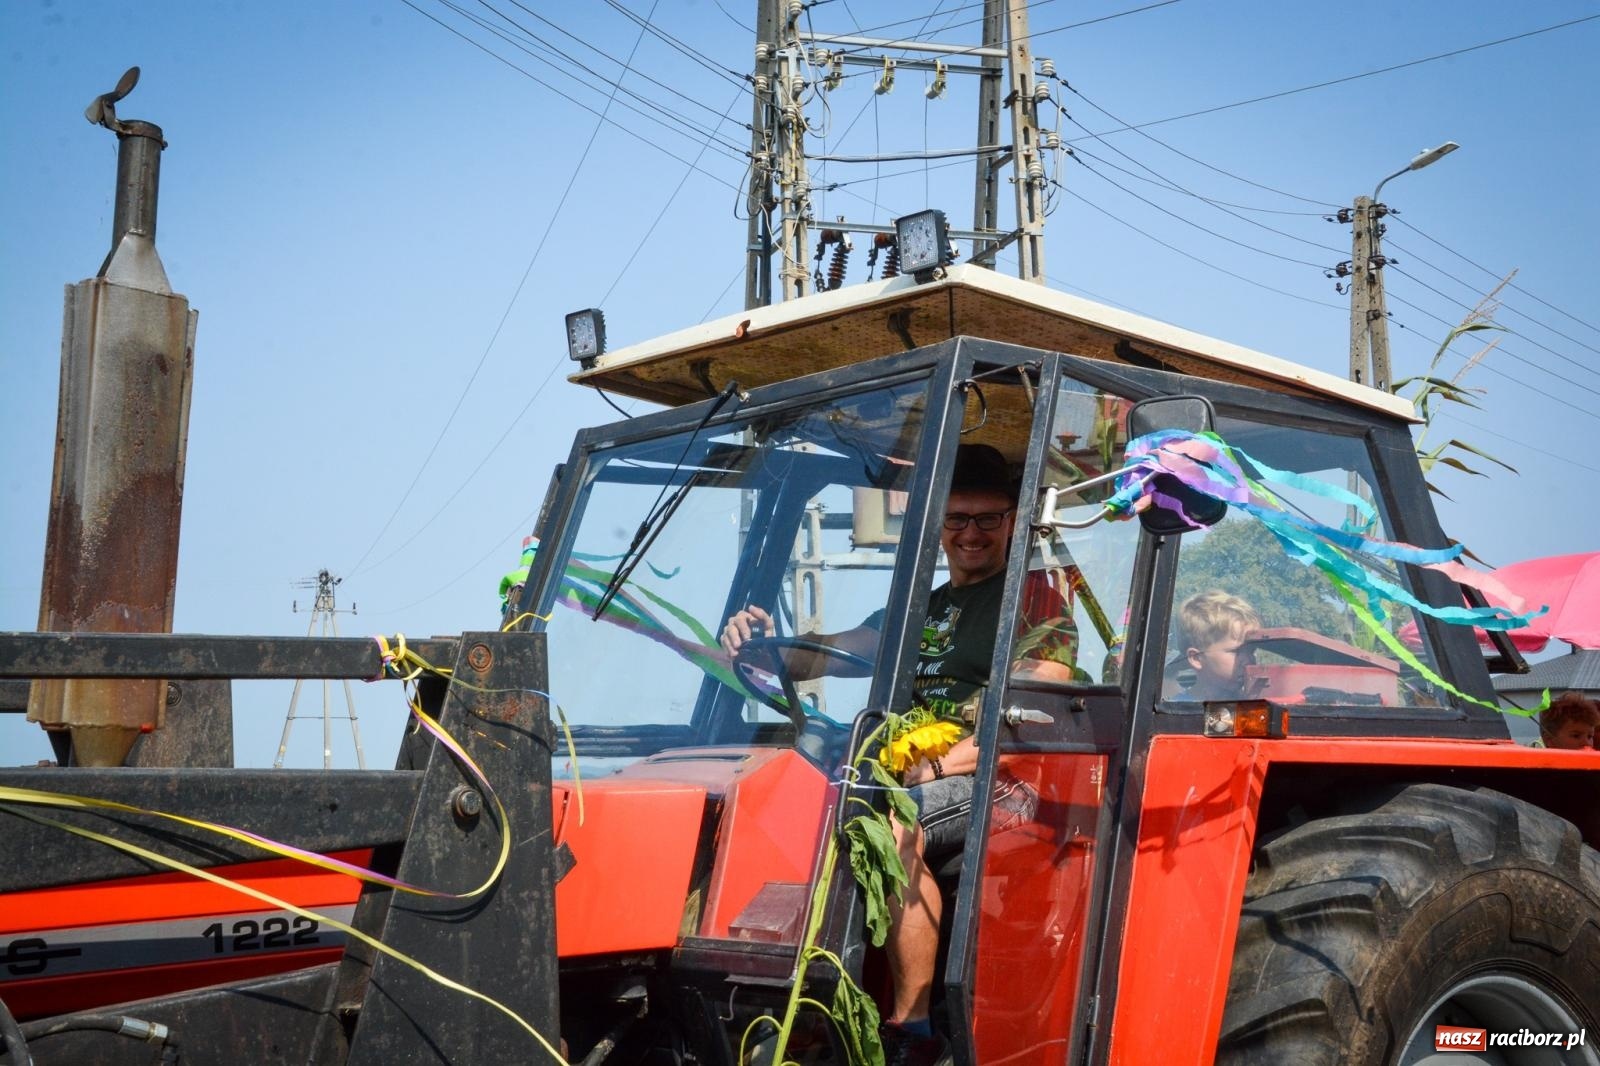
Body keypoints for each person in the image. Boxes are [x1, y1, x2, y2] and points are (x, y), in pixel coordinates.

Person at [720, 443, 1077, 1066]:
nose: (971, 534)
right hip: (911, 771)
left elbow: (1028, 709)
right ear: (936, 524)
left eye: (988, 519)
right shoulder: (922, 608)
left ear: (1013, 522)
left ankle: (911, 1031)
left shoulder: (1036, 600)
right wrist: (761, 644)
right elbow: (826, 653)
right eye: (957, 519)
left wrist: (939, 765)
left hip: (1001, 781)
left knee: (891, 828)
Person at [1174, 590, 1261, 702]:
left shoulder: (1256, 705)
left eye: (1251, 650)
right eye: (1236, 651)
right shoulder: (1178, 711)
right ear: (1196, 658)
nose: (1248, 660)